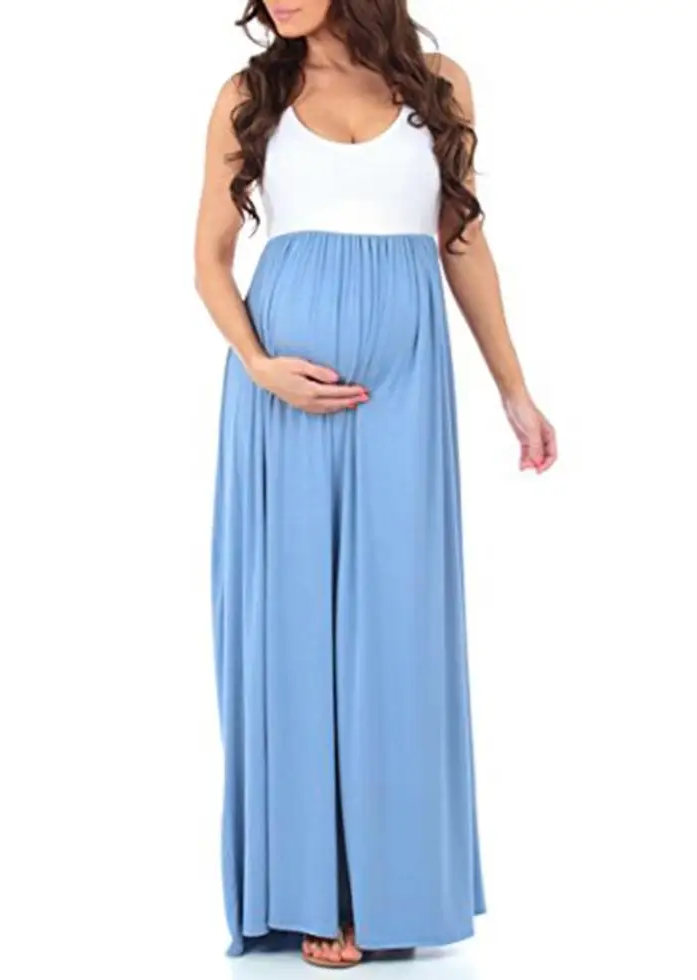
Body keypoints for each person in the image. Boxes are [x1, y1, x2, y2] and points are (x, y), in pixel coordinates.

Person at [194, 0, 557, 967]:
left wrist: (515, 391)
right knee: (292, 628)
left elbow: (461, 244)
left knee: (398, 628)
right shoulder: (251, 93)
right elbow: (210, 259)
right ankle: (311, 890)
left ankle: (388, 892)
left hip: (406, 386)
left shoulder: (437, 87)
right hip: (282, 393)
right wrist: (259, 365)